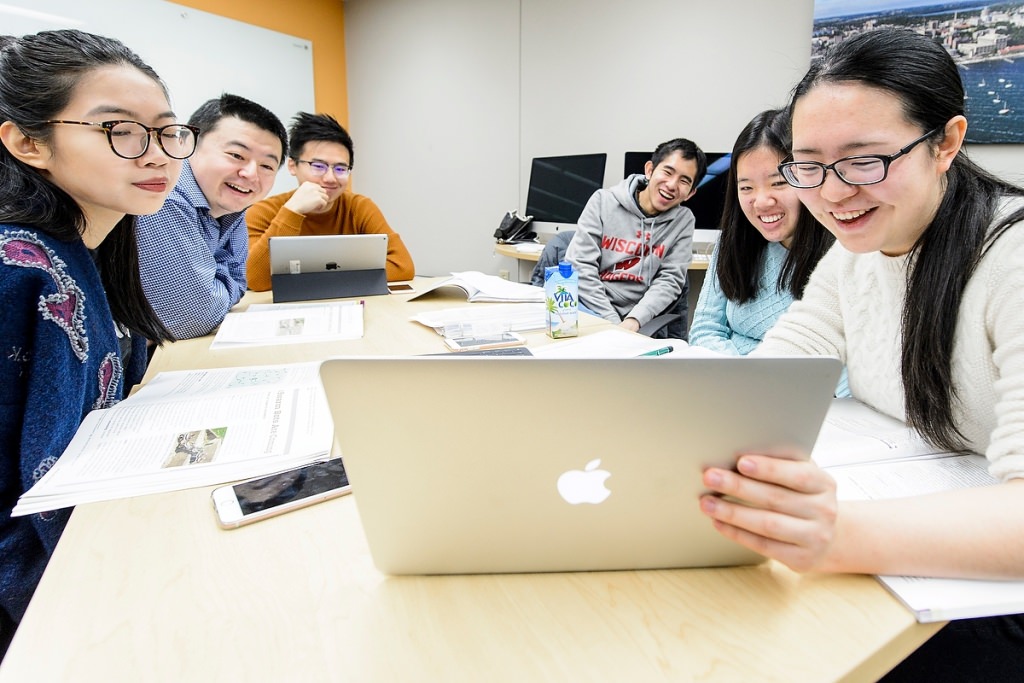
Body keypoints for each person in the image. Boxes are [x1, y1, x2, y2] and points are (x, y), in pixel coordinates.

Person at [698, 29, 1024, 680]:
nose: (832, 192)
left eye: (865, 160)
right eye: (809, 165)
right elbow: (780, 367)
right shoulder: (855, 255)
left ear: (947, 143)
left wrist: (834, 532)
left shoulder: (1009, 259)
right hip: (923, 536)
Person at [0, 29, 188, 657]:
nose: (158, 154)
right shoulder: (17, 268)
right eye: (120, 130)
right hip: (48, 612)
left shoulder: (94, 246)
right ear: (28, 142)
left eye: (167, 131)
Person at [135, 94, 287, 339]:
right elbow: (192, 319)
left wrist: (214, 283)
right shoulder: (165, 198)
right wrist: (213, 283)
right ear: (186, 143)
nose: (250, 174)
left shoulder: (231, 206)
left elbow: (240, 282)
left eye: (267, 166)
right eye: (237, 155)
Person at [689, 109, 834, 355]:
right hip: (732, 384)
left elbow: (846, 364)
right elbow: (705, 330)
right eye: (746, 187)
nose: (762, 201)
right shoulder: (732, 244)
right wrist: (746, 378)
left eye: (778, 183)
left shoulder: (841, 257)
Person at [245, 112, 415, 291]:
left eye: (341, 168)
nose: (331, 178)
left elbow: (402, 267)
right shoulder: (263, 211)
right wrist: (292, 212)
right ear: (292, 166)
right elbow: (255, 280)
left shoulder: (359, 207)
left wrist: (303, 279)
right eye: (318, 166)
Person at [565, 138, 705, 334]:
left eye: (684, 181)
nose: (672, 185)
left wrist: (634, 320)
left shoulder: (684, 220)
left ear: (690, 193)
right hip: (592, 309)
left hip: (641, 321)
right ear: (649, 170)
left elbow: (669, 280)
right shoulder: (603, 201)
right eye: (668, 172)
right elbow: (580, 266)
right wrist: (613, 322)